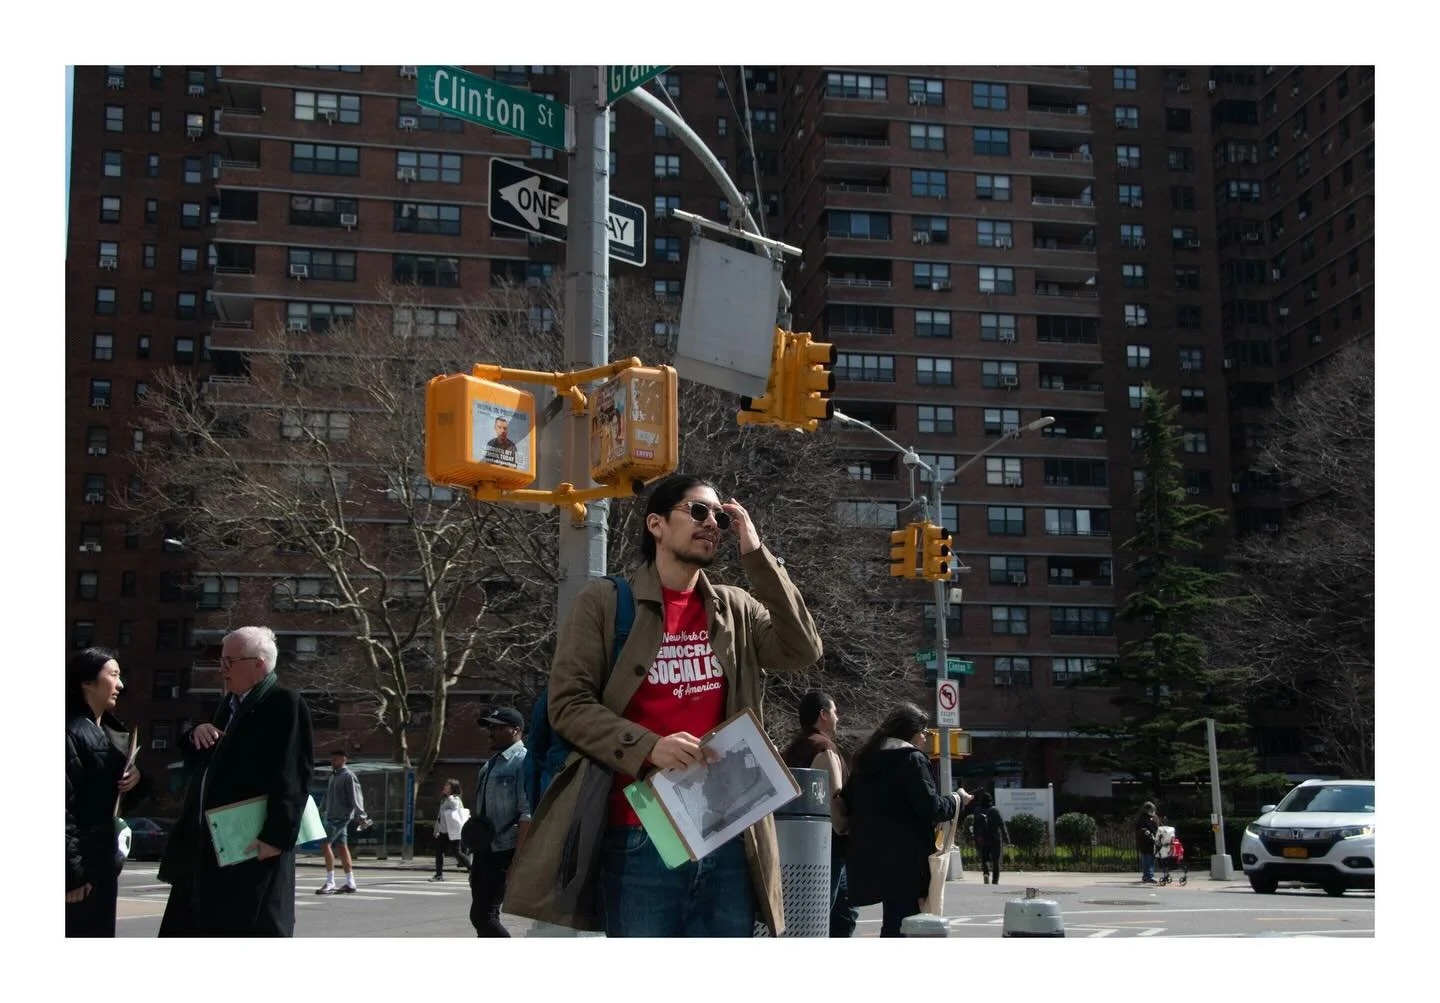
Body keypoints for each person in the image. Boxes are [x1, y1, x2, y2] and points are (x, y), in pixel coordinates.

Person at [504, 473, 823, 937]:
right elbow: (569, 705)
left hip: (729, 832)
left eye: (720, 515)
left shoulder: (734, 608)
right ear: (656, 524)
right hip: (640, 834)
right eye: (698, 511)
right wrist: (648, 747)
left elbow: (803, 648)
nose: (712, 522)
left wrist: (756, 554)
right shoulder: (607, 602)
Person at [157, 626, 314, 937]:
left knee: (246, 925)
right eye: (221, 661)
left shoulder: (284, 702)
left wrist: (276, 836)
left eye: (230, 661)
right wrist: (195, 735)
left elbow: (293, 774)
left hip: (250, 846)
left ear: (258, 664)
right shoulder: (227, 706)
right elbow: (206, 763)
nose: (222, 669)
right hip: (210, 845)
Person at [840, 702, 968, 937]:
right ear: (911, 732)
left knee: (893, 922)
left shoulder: (866, 760)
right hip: (907, 860)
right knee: (906, 924)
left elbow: (848, 801)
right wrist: (957, 799)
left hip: (870, 856)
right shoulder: (912, 760)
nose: (925, 738)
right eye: (924, 732)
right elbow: (930, 808)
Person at [66, 647, 149, 937]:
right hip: (82, 869)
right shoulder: (71, 731)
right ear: (87, 682)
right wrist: (71, 874)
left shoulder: (111, 732)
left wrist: (137, 780)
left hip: (102, 861)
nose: (121, 684)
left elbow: (122, 798)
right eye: (113, 675)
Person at [781, 690, 857, 937]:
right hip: (827, 847)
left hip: (792, 844)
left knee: (833, 909)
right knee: (832, 911)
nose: (838, 717)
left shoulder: (792, 749)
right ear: (823, 714)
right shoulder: (824, 748)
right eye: (835, 711)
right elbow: (834, 799)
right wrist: (847, 828)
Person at [469, 707, 531, 937]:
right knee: (482, 915)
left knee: (483, 915)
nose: (490, 732)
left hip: (505, 851)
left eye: (496, 727)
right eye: (489, 726)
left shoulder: (523, 761)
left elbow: (528, 813)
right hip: (484, 851)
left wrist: (518, 860)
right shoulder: (491, 764)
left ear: (515, 730)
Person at [316, 749, 369, 895]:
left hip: (340, 818)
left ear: (344, 759)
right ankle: (350, 883)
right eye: (332, 760)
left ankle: (330, 882)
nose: (333, 762)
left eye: (336, 760)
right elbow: (328, 795)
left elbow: (356, 797)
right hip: (332, 816)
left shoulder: (348, 776)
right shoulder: (333, 776)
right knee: (342, 847)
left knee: (325, 844)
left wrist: (362, 816)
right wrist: (321, 809)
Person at [431, 778, 468, 881]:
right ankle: (439, 875)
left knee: (457, 853)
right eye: (445, 785)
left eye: (448, 786)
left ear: (453, 788)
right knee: (439, 852)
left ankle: (472, 868)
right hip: (443, 831)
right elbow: (440, 816)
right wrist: (436, 829)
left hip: (453, 832)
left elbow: (455, 807)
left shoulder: (455, 799)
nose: (445, 787)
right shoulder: (444, 799)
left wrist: (449, 796)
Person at [971, 791, 1010, 885]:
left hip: (983, 839)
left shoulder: (977, 810)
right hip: (995, 838)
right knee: (996, 860)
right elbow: (1002, 825)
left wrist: (976, 837)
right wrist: (1007, 839)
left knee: (985, 858)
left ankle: (986, 873)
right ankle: (995, 881)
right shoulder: (995, 811)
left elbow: (975, 826)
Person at [1136, 800, 1160, 884]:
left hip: (1148, 841)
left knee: (1147, 859)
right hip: (1146, 841)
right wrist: (1145, 831)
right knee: (1148, 859)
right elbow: (1140, 828)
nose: (1153, 812)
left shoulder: (1149, 818)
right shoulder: (1145, 818)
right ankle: (1149, 876)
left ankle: (1146, 875)